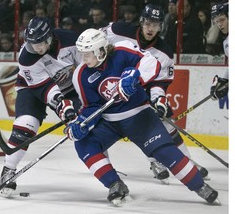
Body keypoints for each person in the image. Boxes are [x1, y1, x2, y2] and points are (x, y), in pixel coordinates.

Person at [66, 28, 218, 206]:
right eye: (82, 54)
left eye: (87, 54)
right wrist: (81, 123)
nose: (83, 59)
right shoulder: (81, 74)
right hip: (109, 122)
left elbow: (150, 62)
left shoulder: (122, 50)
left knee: (165, 152)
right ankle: (115, 184)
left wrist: (134, 76)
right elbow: (91, 106)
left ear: (101, 50)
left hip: (139, 116)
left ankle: (199, 185)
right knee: (84, 143)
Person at [100, 4, 209, 182]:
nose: (151, 29)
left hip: (139, 93)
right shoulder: (118, 30)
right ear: (141, 22)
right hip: (110, 88)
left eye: (156, 25)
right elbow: (95, 41)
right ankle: (113, 169)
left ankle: (185, 161)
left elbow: (159, 82)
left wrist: (158, 99)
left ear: (161, 26)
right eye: (148, 23)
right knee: (100, 127)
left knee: (167, 124)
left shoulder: (164, 52)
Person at [0, 16, 81, 197]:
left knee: (86, 122)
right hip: (32, 87)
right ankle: (8, 170)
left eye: (40, 43)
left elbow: (85, 68)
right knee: (26, 125)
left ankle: (108, 171)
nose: (37, 48)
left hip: (70, 88)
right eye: (32, 43)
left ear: (50, 37)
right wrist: (60, 104)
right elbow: (43, 88)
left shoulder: (71, 41)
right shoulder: (27, 57)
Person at [209, 2, 228, 100]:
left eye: (222, 20)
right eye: (217, 21)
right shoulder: (226, 42)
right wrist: (224, 80)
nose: (220, 24)